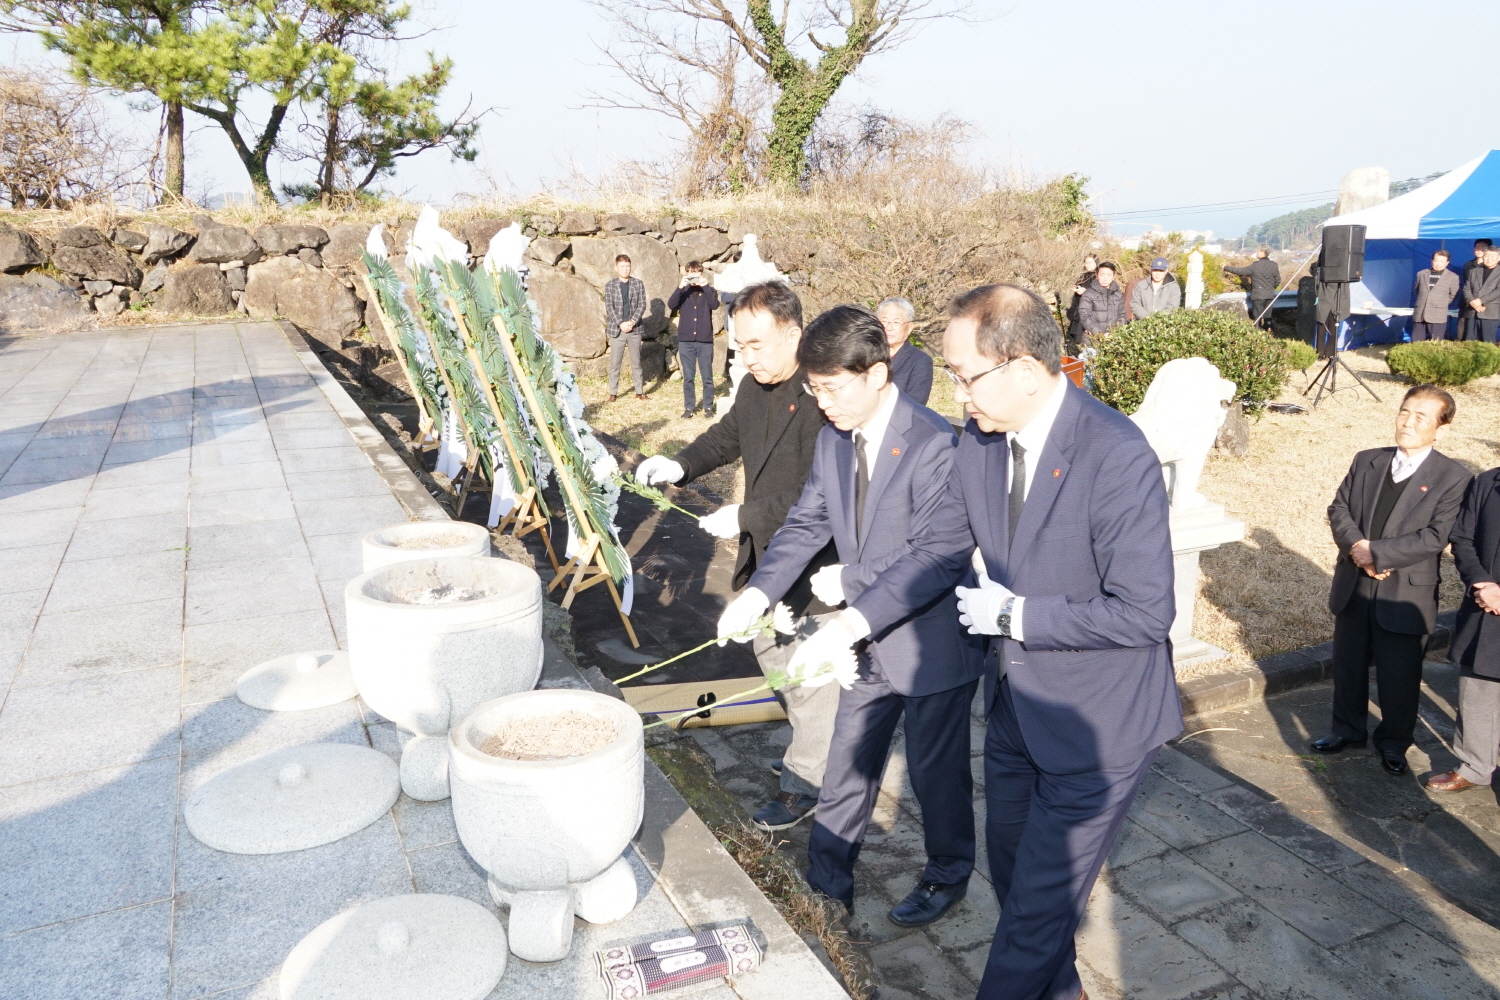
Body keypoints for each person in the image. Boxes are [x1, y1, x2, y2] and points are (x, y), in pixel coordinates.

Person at [786, 284, 1181, 1000]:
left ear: (1025, 370)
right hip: (1016, 708)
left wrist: (1017, 618)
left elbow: (1146, 612)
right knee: (1010, 871)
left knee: (1032, 914)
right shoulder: (980, 440)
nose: (955, 392)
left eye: (968, 376)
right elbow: (937, 550)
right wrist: (850, 623)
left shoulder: (1115, 455)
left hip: (1100, 723)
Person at [718, 305, 987, 927]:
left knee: (935, 775)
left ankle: (947, 875)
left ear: (877, 373)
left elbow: (934, 556)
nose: (824, 402)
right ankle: (827, 889)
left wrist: (849, 608)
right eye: (814, 389)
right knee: (846, 768)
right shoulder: (835, 437)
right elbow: (807, 520)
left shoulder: (935, 444)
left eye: (833, 388)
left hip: (930, 643)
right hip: (864, 646)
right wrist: (759, 594)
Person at [634, 281, 841, 829]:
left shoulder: (826, 393)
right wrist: (680, 465)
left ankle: (810, 782)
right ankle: (815, 754)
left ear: (795, 333)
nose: (746, 357)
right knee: (777, 659)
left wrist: (744, 516)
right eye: (740, 345)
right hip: (769, 553)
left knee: (812, 673)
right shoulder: (755, 385)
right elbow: (727, 436)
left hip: (820, 561)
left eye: (757, 344)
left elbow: (819, 495)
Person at [1311, 385, 1471, 774]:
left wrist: (1377, 554)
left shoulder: (1453, 476)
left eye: (1421, 417)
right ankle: (1347, 729)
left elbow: (1436, 536)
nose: (1408, 422)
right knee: (1348, 664)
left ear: (1442, 428)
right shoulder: (1368, 460)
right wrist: (1358, 550)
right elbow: (1339, 509)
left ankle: (1395, 741)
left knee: (1400, 673)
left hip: (1405, 590)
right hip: (1355, 580)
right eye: (1405, 412)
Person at [1429, 464, 1500, 792]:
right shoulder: (1488, 481)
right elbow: (1463, 538)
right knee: (1478, 689)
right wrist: (1482, 583)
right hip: (1485, 603)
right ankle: (1474, 767)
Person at [668, 260, 721, 419]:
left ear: (701, 273)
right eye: (690, 272)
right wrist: (680, 286)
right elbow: (671, 304)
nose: (693, 276)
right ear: (686, 273)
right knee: (688, 377)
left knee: (707, 377)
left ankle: (708, 407)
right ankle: (689, 407)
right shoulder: (683, 291)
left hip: (704, 340)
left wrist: (705, 286)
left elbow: (715, 305)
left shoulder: (709, 290)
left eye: (696, 272)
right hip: (686, 340)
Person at [876, 296, 934, 404]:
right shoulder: (868, 353)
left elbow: (915, 405)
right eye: (884, 321)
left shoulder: (920, 361)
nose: (889, 327)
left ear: (909, 327)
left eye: (896, 322)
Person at [605, 253, 647, 401]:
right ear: (616, 267)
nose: (625, 269)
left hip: (634, 329)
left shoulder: (638, 283)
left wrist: (632, 321)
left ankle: (639, 391)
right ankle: (613, 393)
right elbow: (609, 307)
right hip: (617, 330)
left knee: (636, 362)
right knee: (615, 363)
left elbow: (642, 304)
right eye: (622, 266)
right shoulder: (610, 285)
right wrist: (621, 323)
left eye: (627, 266)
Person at [1223, 245, 1281, 330]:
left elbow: (1240, 271)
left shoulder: (1255, 266)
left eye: (1258, 251)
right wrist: (1271, 288)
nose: (1257, 252)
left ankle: (1258, 333)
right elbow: (1277, 280)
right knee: (1268, 316)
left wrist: (1226, 267)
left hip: (1258, 295)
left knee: (1257, 316)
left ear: (1263, 252)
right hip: (1269, 294)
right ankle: (1269, 332)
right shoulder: (1274, 265)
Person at [1410, 250, 1460, 342]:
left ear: (1447, 263)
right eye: (1436, 261)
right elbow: (1416, 290)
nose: (1438, 264)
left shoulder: (1453, 277)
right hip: (1420, 312)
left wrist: (1440, 303)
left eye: (1442, 262)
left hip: (1438, 314)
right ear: (1432, 260)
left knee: (1436, 343)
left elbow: (1453, 295)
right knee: (1416, 342)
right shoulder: (1421, 274)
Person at [1077, 260, 1125, 342]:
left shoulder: (1118, 295)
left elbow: (1122, 316)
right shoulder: (1088, 294)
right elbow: (1085, 317)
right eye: (1102, 274)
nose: (1105, 278)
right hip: (1092, 339)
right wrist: (1101, 333)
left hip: (1113, 339)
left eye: (1109, 275)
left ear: (1113, 277)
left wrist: (1114, 333)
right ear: (1097, 275)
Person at [1462, 244, 1500, 344]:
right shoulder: (1474, 271)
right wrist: (1471, 301)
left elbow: (1498, 291)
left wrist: (1481, 300)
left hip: (1490, 313)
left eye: (1492, 256)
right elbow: (1466, 288)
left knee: (1488, 343)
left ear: (1498, 257)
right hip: (1472, 311)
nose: (1489, 259)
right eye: (1487, 255)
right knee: (1469, 342)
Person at [1458, 239, 1492, 340]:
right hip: (1468, 304)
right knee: (1463, 333)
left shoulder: (1495, 267)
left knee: (1483, 336)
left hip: (1486, 305)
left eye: (1483, 247)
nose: (1479, 250)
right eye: (1477, 247)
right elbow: (1467, 285)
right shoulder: (1468, 265)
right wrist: (1471, 301)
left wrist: (1481, 301)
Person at [1063, 254, 1098, 348]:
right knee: (1078, 340)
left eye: (1090, 262)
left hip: (1092, 313)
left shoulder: (1099, 277)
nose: (1087, 265)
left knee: (1089, 340)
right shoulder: (1083, 276)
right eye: (1086, 263)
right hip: (1080, 309)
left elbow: (1100, 295)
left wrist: (1085, 292)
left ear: (1096, 262)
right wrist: (1077, 288)